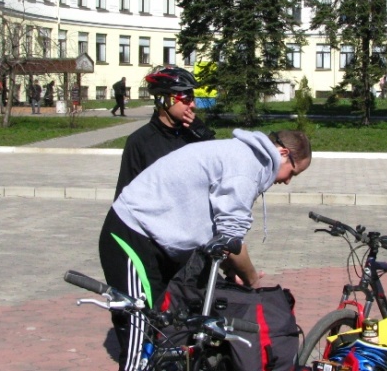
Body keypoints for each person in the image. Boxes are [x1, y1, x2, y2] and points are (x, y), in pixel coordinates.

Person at [100, 129, 312, 371]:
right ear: (283, 153)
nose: (287, 181)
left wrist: (230, 268)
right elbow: (231, 238)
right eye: (292, 172)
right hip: (133, 232)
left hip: (161, 241)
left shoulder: (245, 157)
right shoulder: (247, 166)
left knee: (169, 328)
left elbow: (222, 237)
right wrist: (250, 277)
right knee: (141, 333)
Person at [114, 66, 215, 200]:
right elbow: (124, 199)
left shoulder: (196, 136)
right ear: (163, 100)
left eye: (192, 98)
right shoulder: (140, 141)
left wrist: (204, 133)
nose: (192, 105)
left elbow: (221, 171)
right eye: (186, 99)